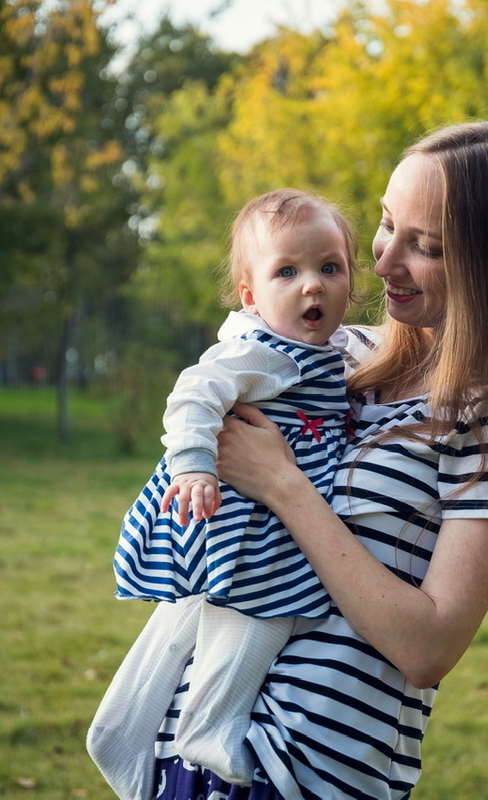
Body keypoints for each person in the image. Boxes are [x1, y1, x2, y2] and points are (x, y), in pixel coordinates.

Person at [94, 120, 488, 800]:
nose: (386, 261)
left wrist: (284, 485)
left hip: (307, 769)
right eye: (388, 225)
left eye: (426, 247)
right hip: (192, 747)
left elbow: (428, 649)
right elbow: (215, 385)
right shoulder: (333, 358)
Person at [88, 188, 360, 799]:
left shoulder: (323, 351)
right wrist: (191, 464)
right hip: (245, 524)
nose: (311, 286)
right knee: (261, 615)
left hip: (227, 520)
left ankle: (117, 731)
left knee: (178, 628)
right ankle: (211, 728)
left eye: (329, 267)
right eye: (286, 272)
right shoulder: (263, 352)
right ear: (251, 296)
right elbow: (193, 392)